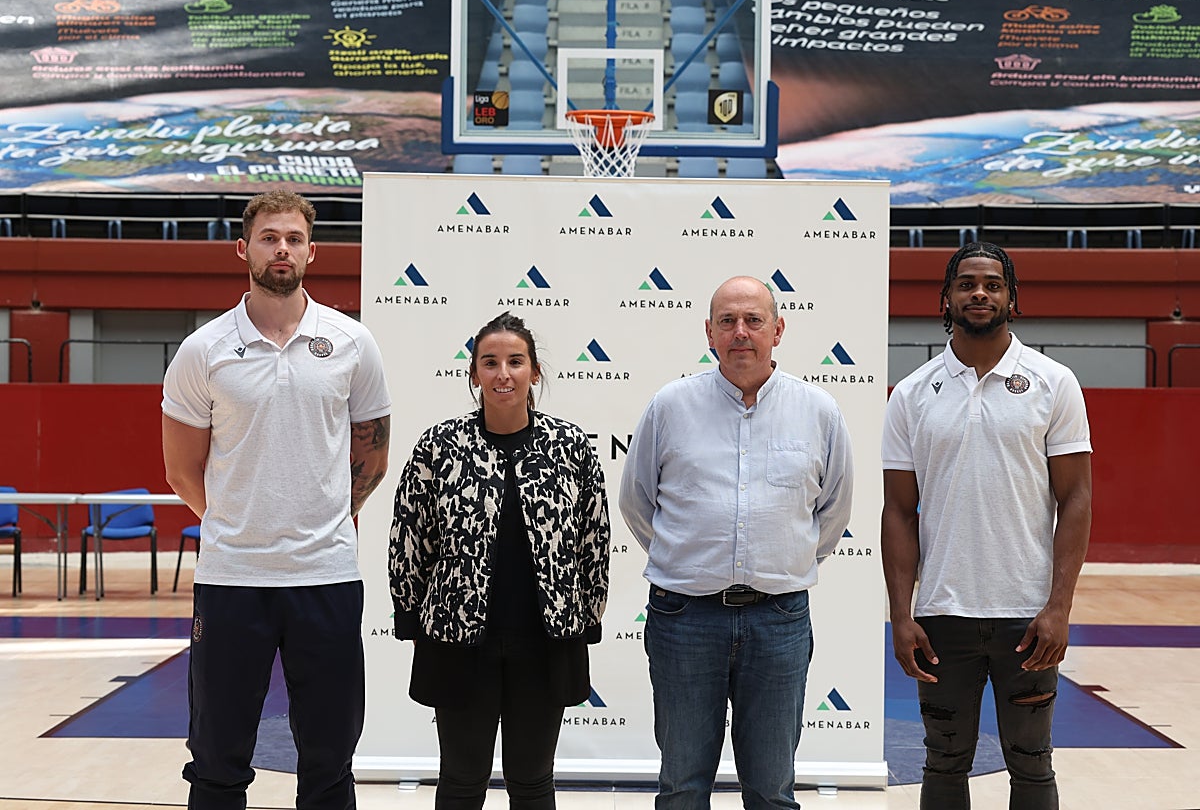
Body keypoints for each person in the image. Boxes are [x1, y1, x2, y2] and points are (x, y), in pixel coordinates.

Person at [162, 189, 392, 810]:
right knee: (217, 760)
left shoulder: (351, 343)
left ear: (312, 252)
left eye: (293, 238)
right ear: (245, 249)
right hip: (233, 578)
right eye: (269, 238)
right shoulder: (202, 351)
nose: (281, 248)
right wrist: (242, 523)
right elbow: (181, 471)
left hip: (327, 577)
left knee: (328, 760)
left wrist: (324, 523)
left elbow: (371, 455)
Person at [619, 276, 854, 810]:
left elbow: (833, 512)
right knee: (681, 787)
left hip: (779, 621)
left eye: (753, 320)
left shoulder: (819, 412)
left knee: (772, 791)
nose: (740, 332)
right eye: (727, 321)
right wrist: (690, 559)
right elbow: (637, 502)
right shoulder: (669, 407)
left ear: (778, 330)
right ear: (708, 332)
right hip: (684, 619)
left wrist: (783, 562)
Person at [881, 242, 1092, 809]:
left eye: (993, 284)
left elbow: (1076, 499)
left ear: (1012, 299)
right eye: (967, 283)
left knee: (1031, 765)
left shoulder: (1053, 382)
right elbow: (898, 512)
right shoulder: (912, 394)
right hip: (943, 615)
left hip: (1027, 617)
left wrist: (1059, 607)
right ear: (945, 299)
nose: (980, 293)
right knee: (944, 764)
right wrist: (901, 614)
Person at [388, 311, 610, 810]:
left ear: (534, 372)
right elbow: (410, 537)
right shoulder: (438, 447)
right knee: (462, 781)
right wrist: (410, 614)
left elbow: (594, 539)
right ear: (473, 374)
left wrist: (587, 618)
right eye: (489, 362)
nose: (502, 373)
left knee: (532, 782)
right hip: (459, 641)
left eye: (515, 361)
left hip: (544, 640)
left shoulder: (570, 446)